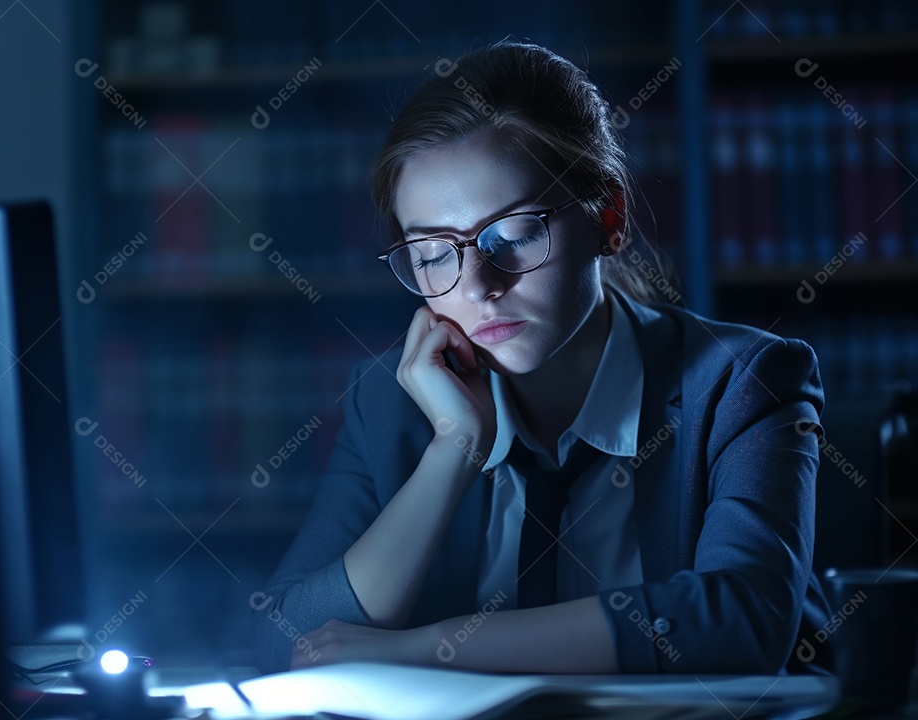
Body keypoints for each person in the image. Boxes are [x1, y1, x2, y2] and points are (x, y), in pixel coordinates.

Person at [250, 41, 831, 676]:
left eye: (515, 234)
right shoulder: (387, 401)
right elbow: (285, 643)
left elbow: (744, 618)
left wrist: (424, 649)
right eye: (433, 254)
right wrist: (453, 452)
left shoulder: (741, 383)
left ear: (609, 217)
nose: (477, 285)